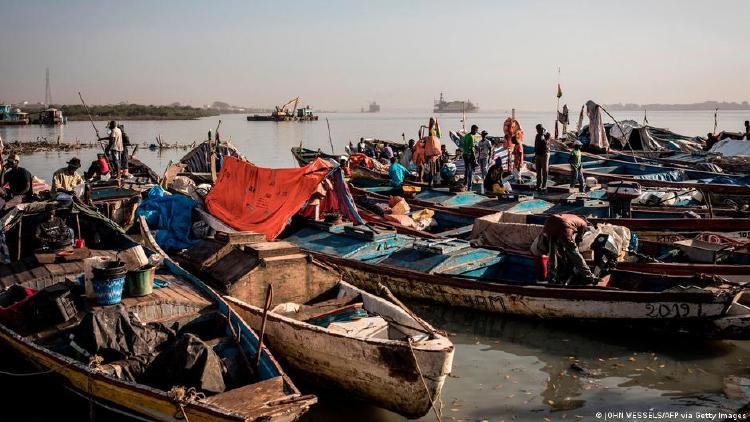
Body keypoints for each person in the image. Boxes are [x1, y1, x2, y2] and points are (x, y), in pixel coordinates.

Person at [538, 214, 596, 285]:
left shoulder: (572, 216)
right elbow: (578, 239)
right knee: (575, 254)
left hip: (549, 224)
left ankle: (551, 279)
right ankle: (588, 276)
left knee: (552, 254)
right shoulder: (584, 224)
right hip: (564, 226)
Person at [462, 125, 479, 190]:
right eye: (476, 130)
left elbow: (465, 145)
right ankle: (469, 187)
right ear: (472, 129)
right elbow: (471, 149)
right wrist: (475, 159)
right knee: (471, 171)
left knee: (466, 170)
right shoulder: (471, 137)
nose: (476, 132)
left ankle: (465, 184)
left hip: (465, 154)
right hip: (470, 155)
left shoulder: (466, 136)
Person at [534, 124, 550, 191]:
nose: (537, 131)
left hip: (544, 154)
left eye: (538, 130)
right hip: (538, 154)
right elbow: (536, 145)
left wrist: (544, 134)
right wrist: (535, 155)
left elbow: (545, 144)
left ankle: (544, 185)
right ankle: (538, 184)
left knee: (544, 170)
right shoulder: (537, 135)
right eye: (537, 130)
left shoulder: (546, 134)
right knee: (538, 170)